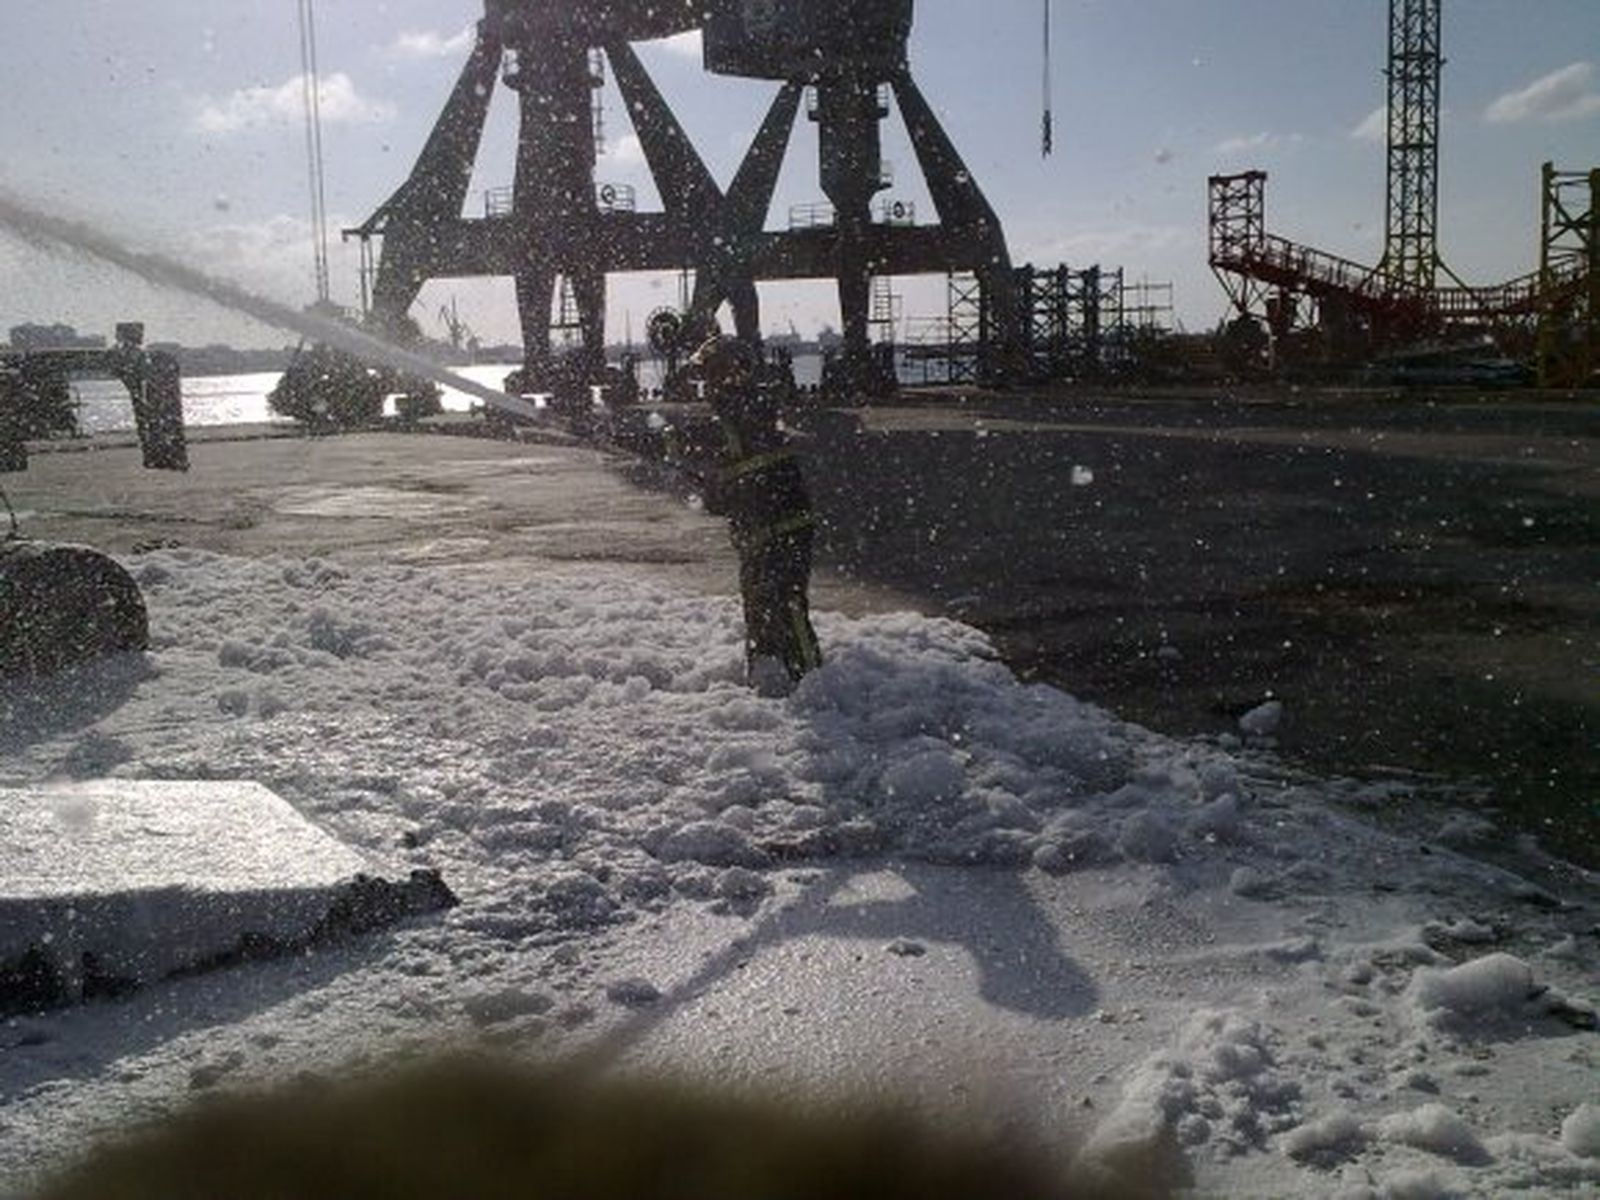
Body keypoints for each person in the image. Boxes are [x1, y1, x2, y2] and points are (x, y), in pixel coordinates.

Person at [687, 334, 822, 695]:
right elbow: (731, 474)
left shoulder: (736, 414)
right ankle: (770, 680)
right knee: (764, 606)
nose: (706, 387)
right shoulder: (753, 408)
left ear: (726, 375)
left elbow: (722, 482)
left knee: (784, 606)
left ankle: (813, 684)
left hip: (776, 527)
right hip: (766, 528)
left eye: (710, 376)